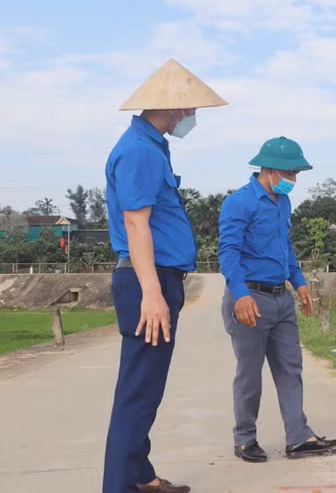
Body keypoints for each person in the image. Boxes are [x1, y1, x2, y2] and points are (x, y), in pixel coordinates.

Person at [104, 58, 228, 493]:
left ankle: (143, 478)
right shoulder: (140, 150)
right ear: (173, 107)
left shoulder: (151, 145)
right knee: (138, 396)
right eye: (190, 108)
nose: (192, 116)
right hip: (148, 280)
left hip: (157, 278)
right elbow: (136, 224)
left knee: (144, 390)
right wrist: (152, 294)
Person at [218, 137, 336, 463]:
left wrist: (299, 283)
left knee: (290, 368)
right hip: (250, 299)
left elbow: (285, 247)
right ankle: (245, 438)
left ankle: (298, 436)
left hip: (280, 298)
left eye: (296, 173)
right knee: (249, 373)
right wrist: (240, 295)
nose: (293, 179)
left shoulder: (282, 202)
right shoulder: (239, 203)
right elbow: (228, 252)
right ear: (269, 169)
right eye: (289, 173)